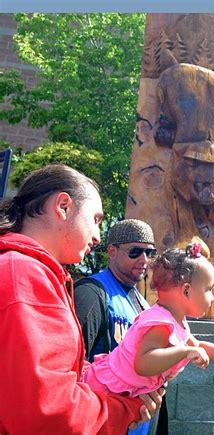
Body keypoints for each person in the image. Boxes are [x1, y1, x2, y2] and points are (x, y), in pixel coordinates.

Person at [0, 164, 162, 434]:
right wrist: (123, 408)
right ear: (63, 206)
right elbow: (47, 413)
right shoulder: (24, 275)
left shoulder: (31, 272)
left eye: (150, 252)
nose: (97, 236)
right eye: (96, 219)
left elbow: (59, 377)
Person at [82, 242, 214, 398]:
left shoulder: (177, 320)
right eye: (209, 289)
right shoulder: (160, 323)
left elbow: (197, 346)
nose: (212, 297)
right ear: (186, 291)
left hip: (117, 392)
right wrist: (185, 352)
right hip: (102, 389)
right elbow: (143, 364)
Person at [74, 218, 166, 435]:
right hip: (101, 422)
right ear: (112, 251)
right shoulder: (90, 293)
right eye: (135, 251)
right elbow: (72, 365)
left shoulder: (142, 303)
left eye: (150, 253)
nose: (144, 259)